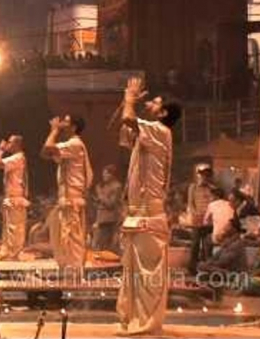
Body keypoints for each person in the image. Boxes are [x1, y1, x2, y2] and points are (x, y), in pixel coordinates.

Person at [115, 76, 182, 336]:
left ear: (163, 112)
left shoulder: (160, 131)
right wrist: (126, 101)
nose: (150, 102)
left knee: (148, 278)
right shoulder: (150, 133)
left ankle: (147, 325)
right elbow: (123, 131)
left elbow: (128, 119)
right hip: (139, 213)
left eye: (155, 101)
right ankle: (134, 321)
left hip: (148, 214)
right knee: (135, 276)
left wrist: (130, 98)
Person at [41, 114, 93, 279]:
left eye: (66, 121)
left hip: (72, 198)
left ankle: (74, 274)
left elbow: (49, 147)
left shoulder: (75, 144)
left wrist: (54, 130)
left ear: (74, 127)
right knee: (63, 238)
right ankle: (68, 272)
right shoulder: (69, 145)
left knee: (72, 238)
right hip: (66, 198)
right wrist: (54, 132)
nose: (62, 123)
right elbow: (44, 152)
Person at [0, 135, 30, 260]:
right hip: (12, 196)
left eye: (9, 142)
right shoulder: (18, 157)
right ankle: (9, 253)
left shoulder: (17, 157)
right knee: (10, 228)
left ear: (16, 144)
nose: (7, 144)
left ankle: (13, 255)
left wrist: (1, 150)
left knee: (14, 228)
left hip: (15, 197)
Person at [91, 164, 123, 253]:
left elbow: (111, 204)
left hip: (109, 220)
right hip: (101, 219)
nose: (103, 176)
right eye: (103, 174)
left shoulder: (117, 186)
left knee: (105, 246)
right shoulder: (104, 186)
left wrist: (100, 195)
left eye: (106, 174)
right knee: (98, 245)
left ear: (111, 175)